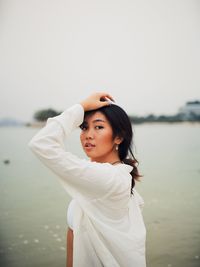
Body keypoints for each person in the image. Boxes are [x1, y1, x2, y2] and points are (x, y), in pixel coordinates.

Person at [29, 92, 146, 267]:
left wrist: (81, 107)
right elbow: (73, 252)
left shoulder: (112, 178)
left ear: (119, 137)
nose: (88, 135)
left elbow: (41, 144)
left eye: (98, 127)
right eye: (84, 127)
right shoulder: (100, 178)